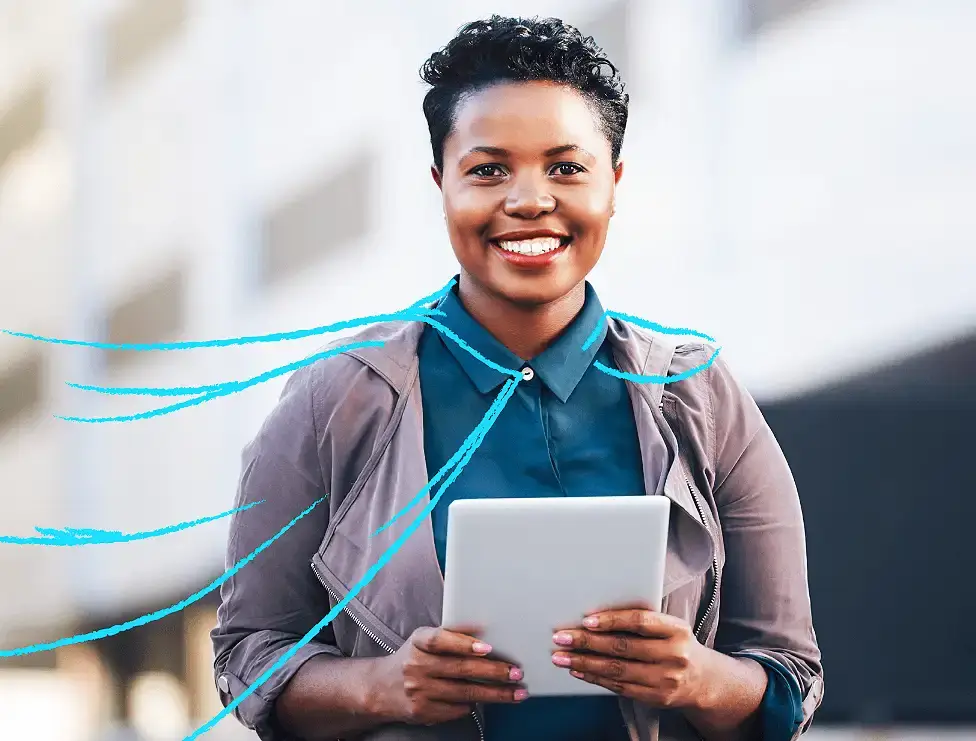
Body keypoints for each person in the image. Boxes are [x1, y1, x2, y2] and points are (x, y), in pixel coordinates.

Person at [211, 15, 823, 741]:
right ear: (440, 182)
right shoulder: (332, 398)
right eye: (488, 169)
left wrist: (696, 676)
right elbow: (247, 654)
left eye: (567, 167)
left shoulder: (701, 395)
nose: (530, 199)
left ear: (614, 184)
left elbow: (790, 671)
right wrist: (380, 686)